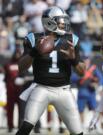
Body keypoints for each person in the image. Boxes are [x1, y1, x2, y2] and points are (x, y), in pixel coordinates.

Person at [15, 6, 85, 135]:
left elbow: (82, 72)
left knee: (78, 132)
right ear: (49, 22)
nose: (64, 24)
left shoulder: (71, 40)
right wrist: (35, 51)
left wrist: (73, 59)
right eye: (60, 21)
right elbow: (21, 67)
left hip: (64, 90)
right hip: (41, 88)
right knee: (25, 127)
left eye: (64, 21)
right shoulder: (33, 38)